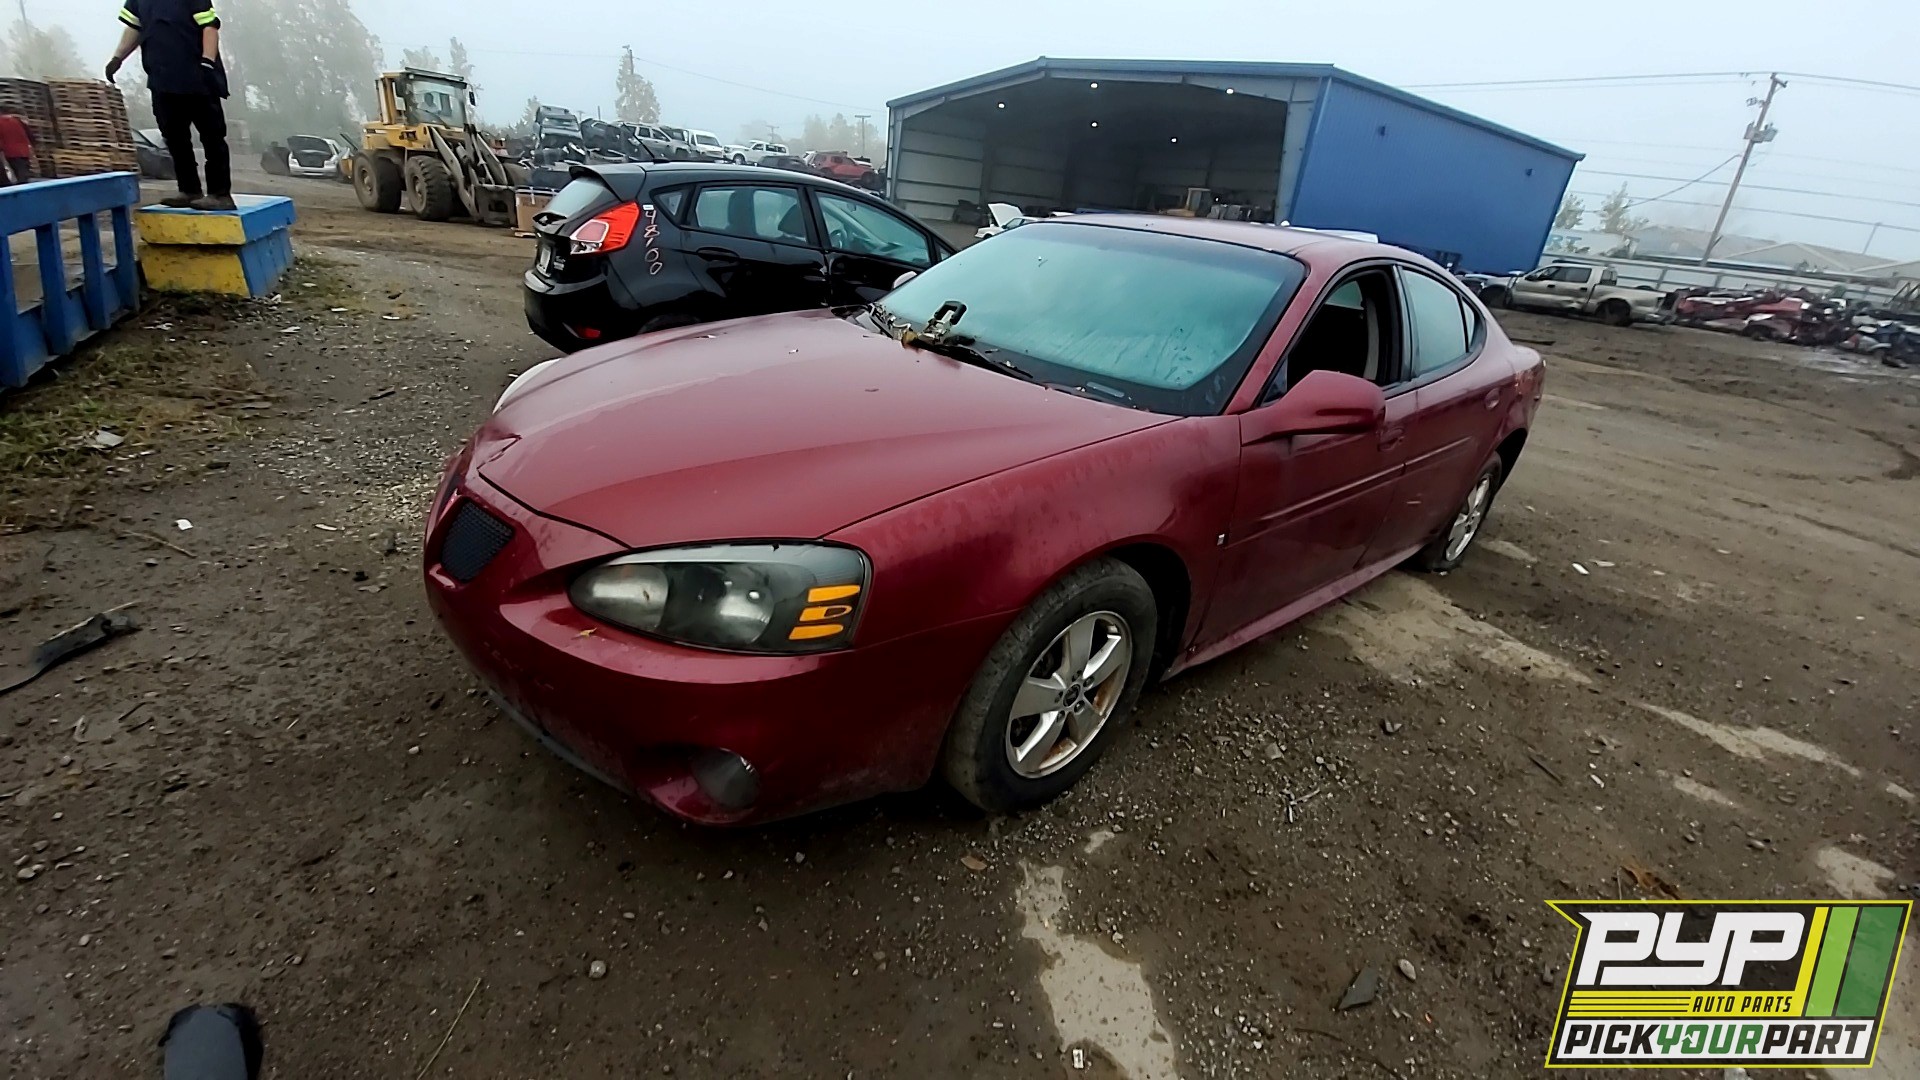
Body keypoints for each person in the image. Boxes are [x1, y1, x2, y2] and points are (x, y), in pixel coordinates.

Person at [105, 1, 233, 211]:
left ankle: (220, 194)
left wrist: (208, 62)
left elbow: (209, 26)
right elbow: (135, 27)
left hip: (197, 77)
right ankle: (189, 189)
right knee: (175, 138)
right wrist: (118, 58)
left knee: (212, 137)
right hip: (162, 79)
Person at [0, 110, 33, 185]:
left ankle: (20, 190)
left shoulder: (0, 123)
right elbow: (30, 134)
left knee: (18, 173)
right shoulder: (18, 121)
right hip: (24, 151)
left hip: (10, 152)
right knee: (23, 172)